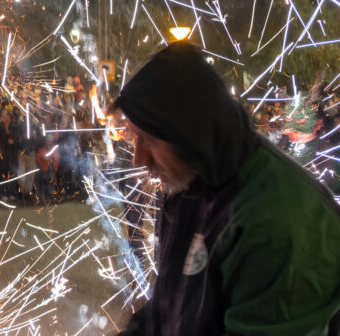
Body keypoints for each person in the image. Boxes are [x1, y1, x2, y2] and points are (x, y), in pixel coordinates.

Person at [112, 42, 340, 335]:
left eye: (149, 140)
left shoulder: (278, 224)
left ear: (189, 134)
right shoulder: (189, 182)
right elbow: (168, 310)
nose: (138, 158)